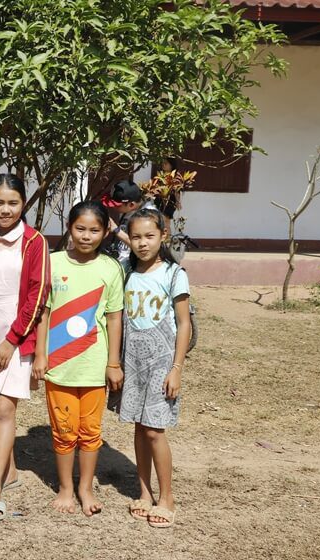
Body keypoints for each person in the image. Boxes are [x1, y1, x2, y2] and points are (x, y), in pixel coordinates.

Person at [0, 174, 50, 521]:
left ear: (23, 205)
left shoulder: (33, 242)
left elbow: (37, 294)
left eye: (13, 203)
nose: (5, 209)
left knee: (4, 410)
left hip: (16, 333)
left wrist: (12, 340)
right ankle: (10, 469)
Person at [38, 200, 124, 516]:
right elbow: (43, 314)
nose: (86, 236)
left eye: (94, 230)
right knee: (63, 431)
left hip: (93, 368)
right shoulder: (53, 263)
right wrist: (39, 356)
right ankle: (65, 488)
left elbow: (114, 318)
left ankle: (85, 488)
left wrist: (113, 363)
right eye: (80, 229)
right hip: (59, 367)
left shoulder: (110, 269)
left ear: (104, 233)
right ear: (69, 228)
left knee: (90, 430)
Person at [118, 207, 191, 528]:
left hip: (162, 363)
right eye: (136, 237)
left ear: (164, 237)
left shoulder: (174, 274)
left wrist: (176, 368)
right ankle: (144, 492)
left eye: (150, 236)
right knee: (137, 425)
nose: (142, 243)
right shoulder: (126, 271)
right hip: (132, 361)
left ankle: (167, 497)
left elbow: (184, 324)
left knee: (154, 429)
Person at [101, 179, 156, 268]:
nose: (114, 208)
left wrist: (116, 230)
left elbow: (144, 247)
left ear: (131, 204)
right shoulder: (129, 210)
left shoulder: (149, 216)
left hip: (136, 267)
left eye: (117, 205)